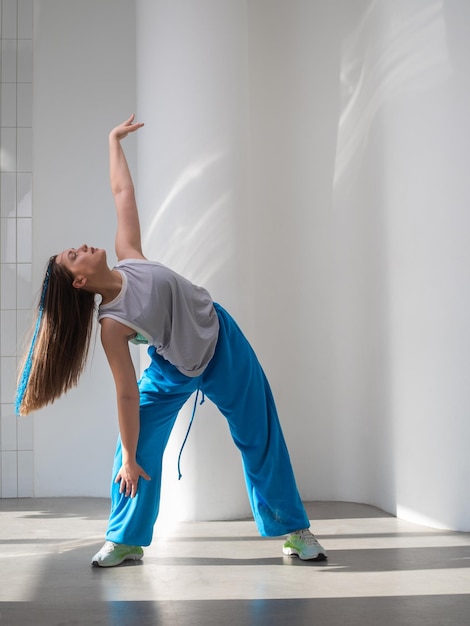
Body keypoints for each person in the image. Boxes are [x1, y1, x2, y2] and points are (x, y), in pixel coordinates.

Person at [16, 115, 327, 567]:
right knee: (135, 451)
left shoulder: (130, 256)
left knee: (259, 434)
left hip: (221, 343)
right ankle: (125, 539)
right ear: (79, 281)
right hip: (173, 367)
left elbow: (123, 194)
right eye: (73, 255)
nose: (81, 246)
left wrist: (113, 140)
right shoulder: (112, 324)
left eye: (76, 247)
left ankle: (295, 531)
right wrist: (127, 455)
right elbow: (126, 391)